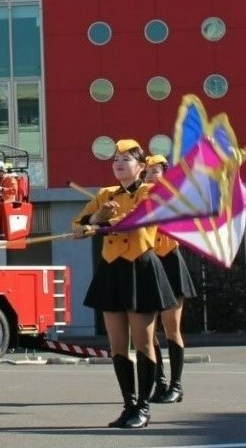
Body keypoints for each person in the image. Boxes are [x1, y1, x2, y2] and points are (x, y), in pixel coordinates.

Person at [72, 138, 176, 430]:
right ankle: (129, 405)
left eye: (126, 159)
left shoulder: (152, 191)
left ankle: (143, 407)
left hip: (140, 267)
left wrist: (104, 222)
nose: (118, 163)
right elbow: (76, 225)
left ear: (142, 167)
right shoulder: (105, 194)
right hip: (112, 272)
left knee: (143, 342)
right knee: (117, 345)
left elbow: (136, 220)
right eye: (115, 159)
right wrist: (94, 217)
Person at [143, 155, 197, 405]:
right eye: (147, 172)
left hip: (170, 262)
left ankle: (177, 385)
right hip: (149, 263)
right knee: (148, 332)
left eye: (156, 171)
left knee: (171, 329)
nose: (151, 175)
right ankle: (160, 382)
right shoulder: (140, 197)